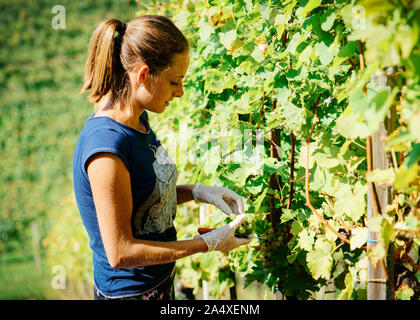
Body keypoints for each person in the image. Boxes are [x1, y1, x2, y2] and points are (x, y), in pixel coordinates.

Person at [72, 15, 250, 300]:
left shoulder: (138, 120)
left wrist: (198, 192)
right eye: (174, 81)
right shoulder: (106, 148)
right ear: (143, 75)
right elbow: (120, 253)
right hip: (129, 295)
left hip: (158, 284)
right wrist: (206, 244)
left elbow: (143, 194)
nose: (180, 92)